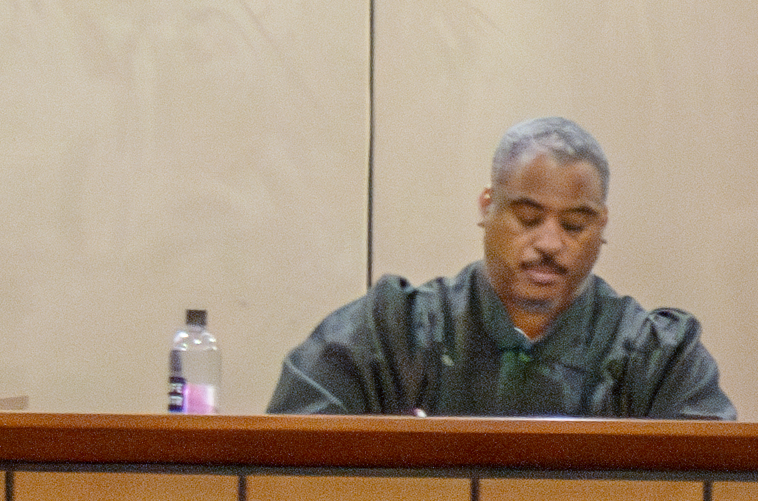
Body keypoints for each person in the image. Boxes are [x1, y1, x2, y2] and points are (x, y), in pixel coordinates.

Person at [272, 116, 734, 418]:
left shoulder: (657, 356)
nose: (550, 244)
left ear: (603, 225)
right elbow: (287, 465)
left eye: (575, 225)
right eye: (528, 218)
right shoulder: (391, 332)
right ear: (487, 207)